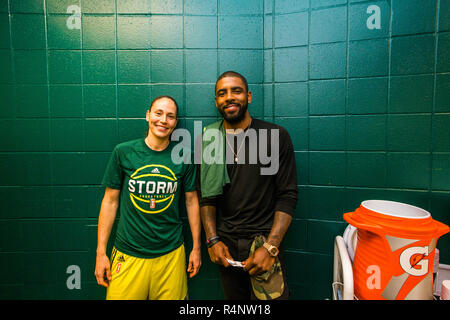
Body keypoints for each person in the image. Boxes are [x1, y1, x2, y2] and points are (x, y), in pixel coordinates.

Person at [197, 71, 298, 300]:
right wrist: (213, 241)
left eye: (236, 91)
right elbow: (206, 197)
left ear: (249, 96)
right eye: (222, 93)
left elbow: (287, 195)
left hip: (263, 243)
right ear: (216, 102)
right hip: (226, 247)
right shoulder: (208, 140)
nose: (229, 97)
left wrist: (271, 248)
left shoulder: (275, 136)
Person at [95, 96, 201, 300]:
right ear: (148, 115)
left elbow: (191, 201)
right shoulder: (123, 152)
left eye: (170, 116)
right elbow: (110, 201)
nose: (163, 120)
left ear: (175, 122)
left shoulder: (184, 155)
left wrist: (196, 248)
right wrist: (101, 253)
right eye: (158, 113)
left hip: (170, 253)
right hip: (128, 252)